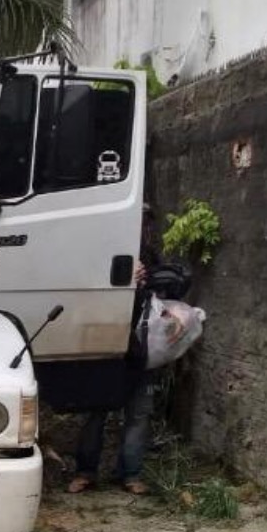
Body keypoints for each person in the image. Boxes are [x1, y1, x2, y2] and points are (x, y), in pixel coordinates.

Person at [68, 205, 159, 495]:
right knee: (94, 412)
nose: (142, 229)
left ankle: (130, 474)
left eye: (146, 224)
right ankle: (85, 472)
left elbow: (167, 296)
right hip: (104, 346)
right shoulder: (97, 254)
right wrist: (118, 279)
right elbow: (79, 292)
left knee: (139, 413)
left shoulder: (152, 259)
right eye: (137, 222)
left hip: (141, 349)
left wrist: (147, 281)